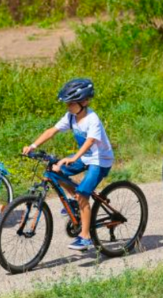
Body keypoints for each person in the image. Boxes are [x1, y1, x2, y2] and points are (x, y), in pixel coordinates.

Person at [22, 78, 114, 252]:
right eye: (67, 103)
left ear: (84, 102)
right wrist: (33, 146)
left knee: (83, 196)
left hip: (100, 160)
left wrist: (73, 158)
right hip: (85, 157)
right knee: (55, 170)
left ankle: (85, 237)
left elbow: (90, 141)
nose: (68, 106)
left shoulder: (92, 119)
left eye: (71, 103)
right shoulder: (71, 117)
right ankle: (74, 200)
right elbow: (52, 131)